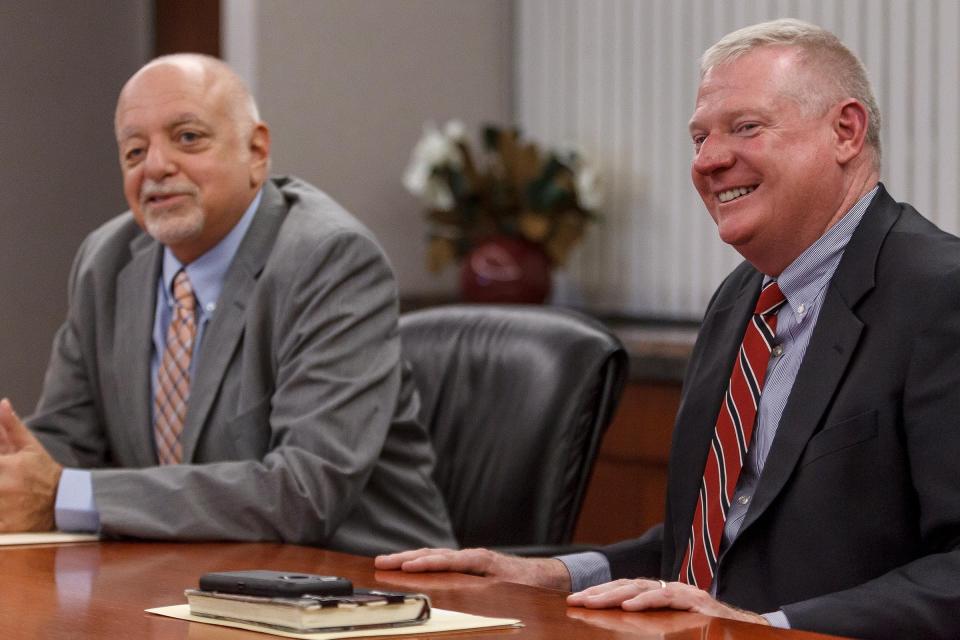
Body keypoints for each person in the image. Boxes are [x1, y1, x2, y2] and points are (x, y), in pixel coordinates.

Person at [376, 19, 960, 638]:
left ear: (845, 131)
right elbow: (710, 545)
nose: (709, 161)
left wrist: (764, 626)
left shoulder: (939, 293)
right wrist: (554, 575)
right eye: (699, 138)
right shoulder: (741, 301)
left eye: (745, 128)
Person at [0, 53, 456, 555]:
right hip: (188, 580)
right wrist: (15, 474)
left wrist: (65, 493)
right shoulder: (105, 262)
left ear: (257, 151)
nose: (156, 165)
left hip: (365, 590)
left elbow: (305, 490)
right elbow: (64, 445)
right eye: (134, 151)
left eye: (188, 138)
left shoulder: (329, 260)